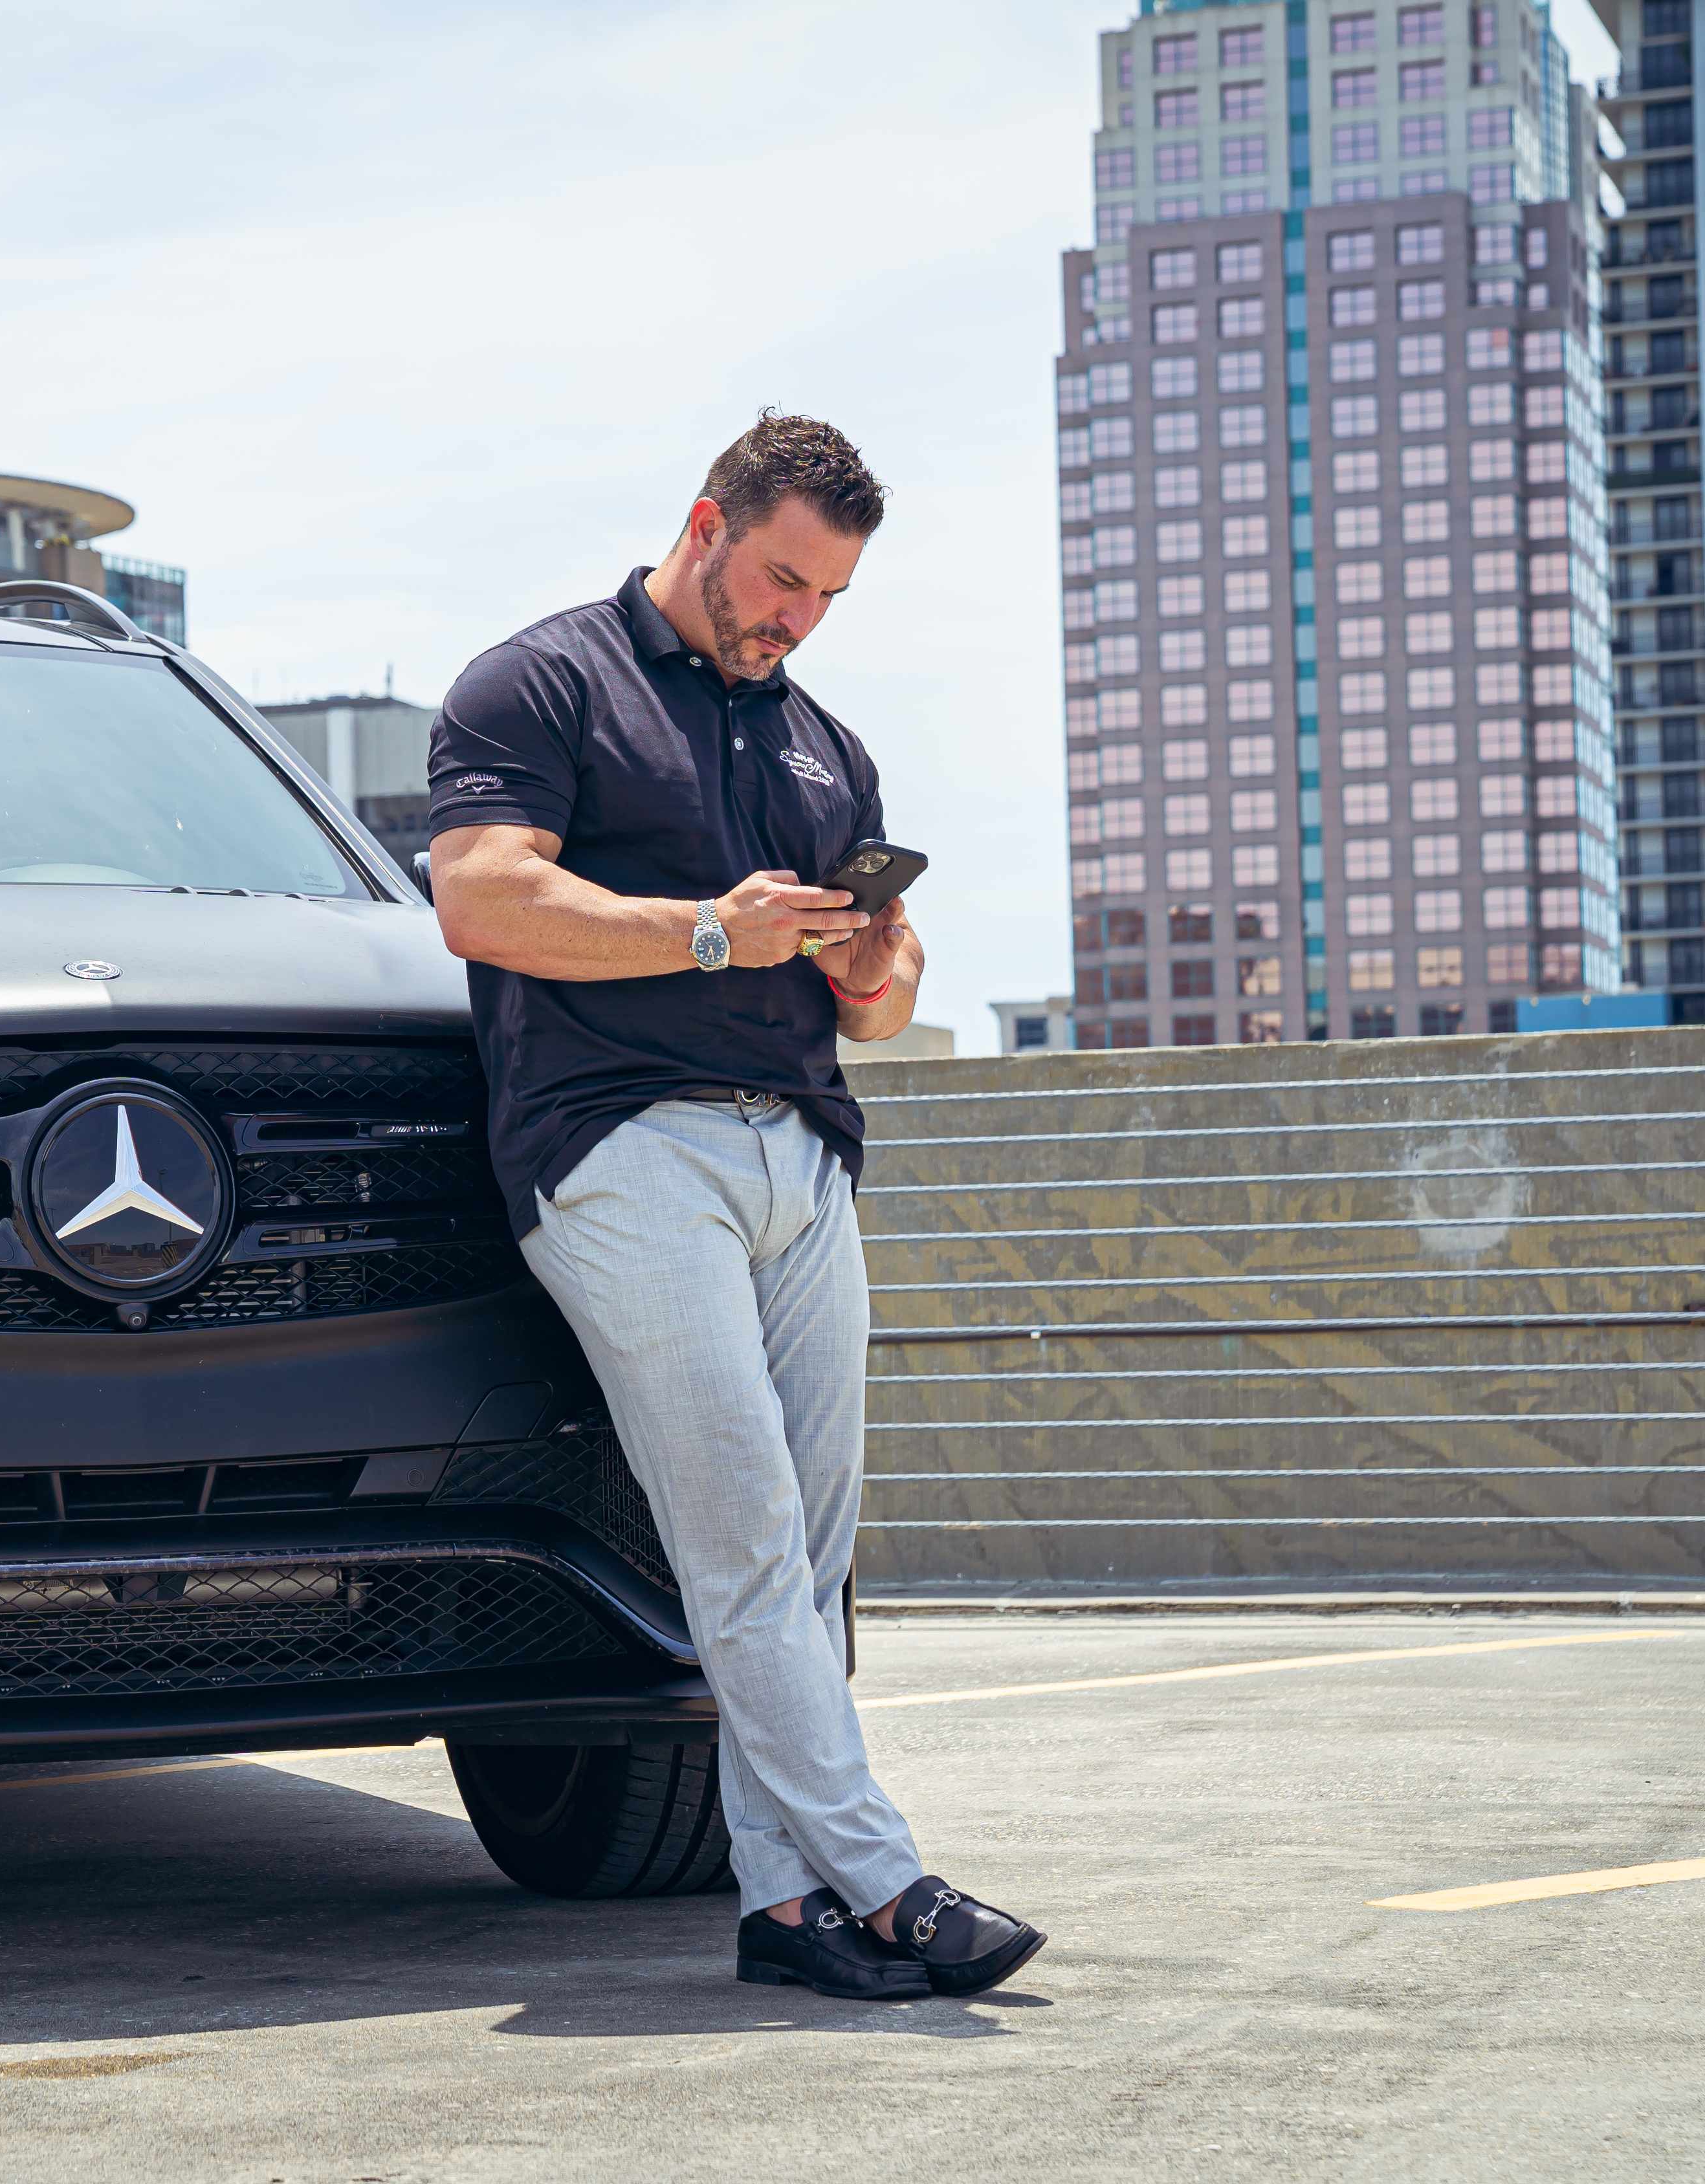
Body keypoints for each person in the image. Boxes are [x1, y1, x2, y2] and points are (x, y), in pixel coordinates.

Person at [422, 411, 1044, 2003]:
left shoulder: (824, 742)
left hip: (804, 1157)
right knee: (749, 1533)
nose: (796, 621)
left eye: (828, 598)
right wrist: (714, 931)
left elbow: (891, 995)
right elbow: (481, 896)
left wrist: (861, 957)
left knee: (809, 1552)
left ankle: (785, 1907)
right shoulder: (540, 681)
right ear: (706, 524)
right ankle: (885, 1875)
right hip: (620, 1149)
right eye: (780, 580)